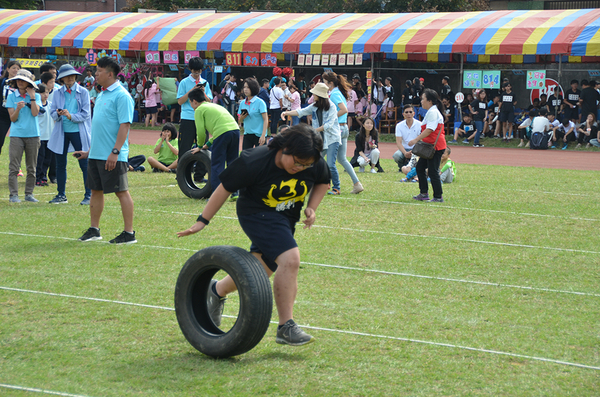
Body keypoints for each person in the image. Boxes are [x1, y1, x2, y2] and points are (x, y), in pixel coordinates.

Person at [177, 124, 329, 346]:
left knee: (260, 269)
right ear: (285, 148)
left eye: (307, 165)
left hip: (286, 217)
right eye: (297, 162)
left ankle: (216, 291)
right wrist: (202, 221)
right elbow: (224, 187)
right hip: (256, 214)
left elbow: (323, 181)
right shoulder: (254, 160)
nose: (301, 168)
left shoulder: (309, 159)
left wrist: (312, 207)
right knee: (290, 258)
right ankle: (286, 327)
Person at [74, 56, 136, 244]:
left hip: (113, 155)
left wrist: (115, 152)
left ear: (110, 74)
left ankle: (129, 233)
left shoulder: (122, 96)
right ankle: (94, 229)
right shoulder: (101, 94)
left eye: (99, 71)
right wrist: (89, 152)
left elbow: (124, 125)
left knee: (121, 192)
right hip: (96, 154)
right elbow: (100, 127)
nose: (95, 74)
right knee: (95, 190)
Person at [282, 83, 345, 195]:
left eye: (314, 93)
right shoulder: (315, 106)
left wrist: (313, 130)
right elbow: (300, 112)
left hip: (332, 138)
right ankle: (320, 184)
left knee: (330, 164)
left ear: (319, 95)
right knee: (315, 162)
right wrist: (286, 113)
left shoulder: (331, 107)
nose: (313, 95)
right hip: (321, 139)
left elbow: (328, 125)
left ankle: (337, 187)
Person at [47, 64, 92, 205]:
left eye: (72, 75)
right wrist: (59, 114)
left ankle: (89, 195)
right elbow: (52, 112)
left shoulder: (83, 92)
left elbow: (85, 114)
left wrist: (70, 116)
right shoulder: (58, 92)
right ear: (62, 78)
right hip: (62, 132)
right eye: (66, 76)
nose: (70, 78)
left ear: (76, 77)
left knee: (84, 164)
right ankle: (61, 195)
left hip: (79, 132)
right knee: (60, 164)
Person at [188, 87, 240, 197]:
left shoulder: (199, 110)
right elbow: (221, 127)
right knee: (232, 163)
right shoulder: (213, 105)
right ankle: (235, 192)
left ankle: (216, 196)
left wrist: (200, 146)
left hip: (223, 133)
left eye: (190, 102)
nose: (190, 105)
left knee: (217, 164)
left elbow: (201, 132)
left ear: (194, 101)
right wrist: (209, 144)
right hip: (235, 130)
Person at [321, 71, 365, 193]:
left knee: (323, 157)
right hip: (342, 128)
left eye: (324, 81)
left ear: (330, 83)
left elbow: (344, 110)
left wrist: (331, 118)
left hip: (337, 130)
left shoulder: (334, 94)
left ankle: (330, 185)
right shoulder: (336, 92)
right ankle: (356, 184)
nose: (322, 83)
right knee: (341, 159)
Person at [6, 69, 41, 203]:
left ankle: (29, 194)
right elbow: (12, 119)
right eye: (18, 80)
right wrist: (18, 109)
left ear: (29, 83)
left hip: (33, 134)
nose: (20, 82)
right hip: (16, 135)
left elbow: (35, 113)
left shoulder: (35, 95)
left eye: (24, 80)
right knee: (14, 166)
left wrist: (32, 98)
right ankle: (13, 195)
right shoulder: (11, 96)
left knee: (31, 167)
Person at [176, 57, 213, 179]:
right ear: (190, 70)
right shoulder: (184, 83)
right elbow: (180, 101)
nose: (197, 74)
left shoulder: (205, 82)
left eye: (199, 71)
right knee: (184, 146)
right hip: (188, 118)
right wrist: (192, 90)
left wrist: (203, 93)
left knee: (202, 146)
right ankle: (182, 174)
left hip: (202, 118)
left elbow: (210, 101)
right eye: (194, 72)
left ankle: (199, 174)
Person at [409, 88, 447, 203]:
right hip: (430, 147)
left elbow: (430, 129)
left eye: (423, 99)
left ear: (429, 101)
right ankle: (424, 193)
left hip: (435, 147)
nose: (421, 101)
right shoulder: (432, 111)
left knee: (432, 171)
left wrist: (416, 140)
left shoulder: (433, 112)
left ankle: (438, 196)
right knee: (420, 168)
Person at [238, 77, 268, 150]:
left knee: (260, 159)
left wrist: (263, 135)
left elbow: (265, 119)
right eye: (244, 87)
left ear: (253, 88)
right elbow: (240, 121)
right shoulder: (242, 103)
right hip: (247, 134)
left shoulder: (260, 102)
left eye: (248, 87)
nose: (245, 89)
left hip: (259, 135)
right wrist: (241, 119)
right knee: (245, 158)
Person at [35, 84, 54, 187]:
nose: (45, 95)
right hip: (40, 136)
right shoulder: (37, 107)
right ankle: (37, 177)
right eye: (42, 93)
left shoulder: (51, 105)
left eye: (47, 92)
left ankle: (43, 177)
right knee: (40, 159)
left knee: (47, 159)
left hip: (49, 136)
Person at [0, 60, 20, 156]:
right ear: (7, 69)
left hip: (18, 114)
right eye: (13, 68)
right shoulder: (2, 81)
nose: (16, 70)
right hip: (3, 114)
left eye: (18, 68)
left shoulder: (21, 84)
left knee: (18, 142)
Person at [393, 104, 421, 171]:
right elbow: (398, 142)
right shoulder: (399, 126)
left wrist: (413, 151)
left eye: (410, 112)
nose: (408, 114)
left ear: (414, 113)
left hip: (416, 149)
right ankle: (402, 167)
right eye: (406, 112)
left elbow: (421, 140)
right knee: (396, 156)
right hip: (404, 149)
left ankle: (411, 168)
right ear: (403, 114)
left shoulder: (420, 124)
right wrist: (405, 153)